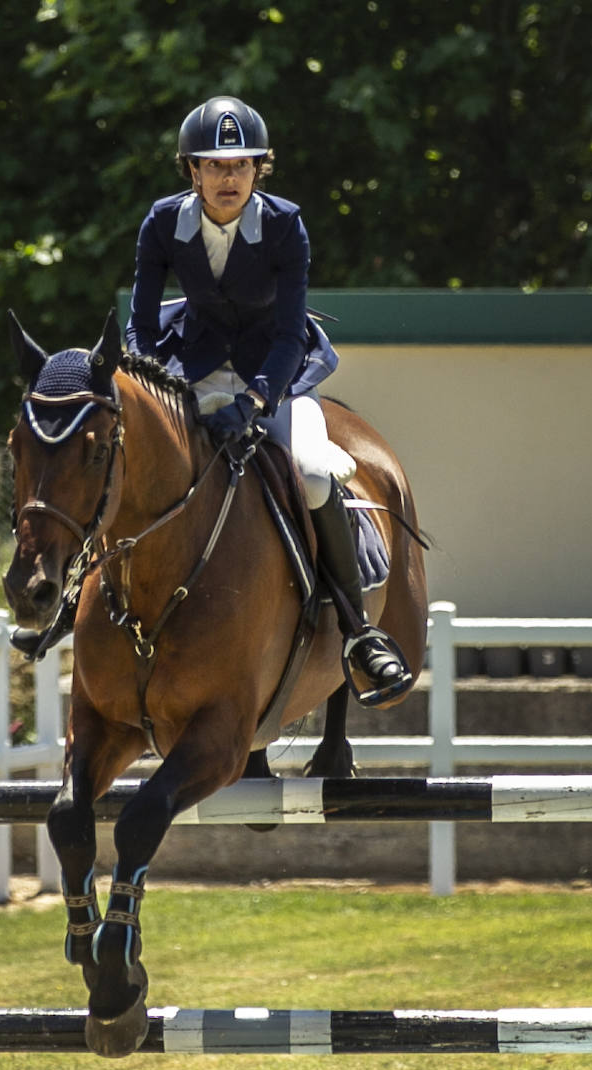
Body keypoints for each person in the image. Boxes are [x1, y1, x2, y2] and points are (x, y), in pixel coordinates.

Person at [123, 95, 411, 705]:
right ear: (192, 171)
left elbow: (287, 334)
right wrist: (150, 387)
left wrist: (256, 401)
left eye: (242, 166)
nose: (229, 178)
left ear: (259, 170)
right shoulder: (161, 223)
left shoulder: (284, 225)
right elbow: (140, 327)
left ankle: (359, 632)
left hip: (275, 375)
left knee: (310, 473)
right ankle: (78, 597)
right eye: (215, 166)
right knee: (133, 463)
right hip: (190, 372)